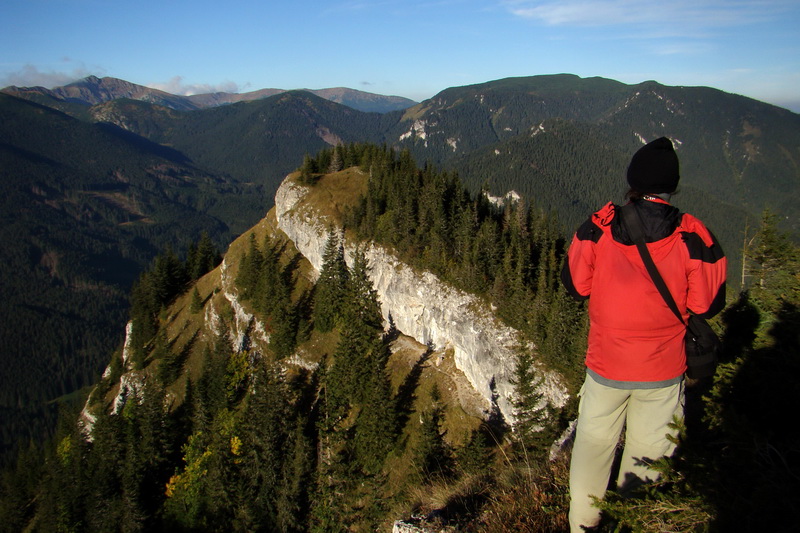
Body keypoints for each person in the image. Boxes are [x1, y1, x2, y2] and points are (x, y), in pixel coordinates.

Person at [560, 137, 727, 531]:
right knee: (649, 457)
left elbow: (574, 285)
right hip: (662, 371)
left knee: (592, 449)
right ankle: (633, 522)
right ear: (673, 185)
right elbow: (707, 304)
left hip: (606, 365)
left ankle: (583, 525)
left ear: (632, 181)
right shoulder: (692, 236)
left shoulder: (599, 227)